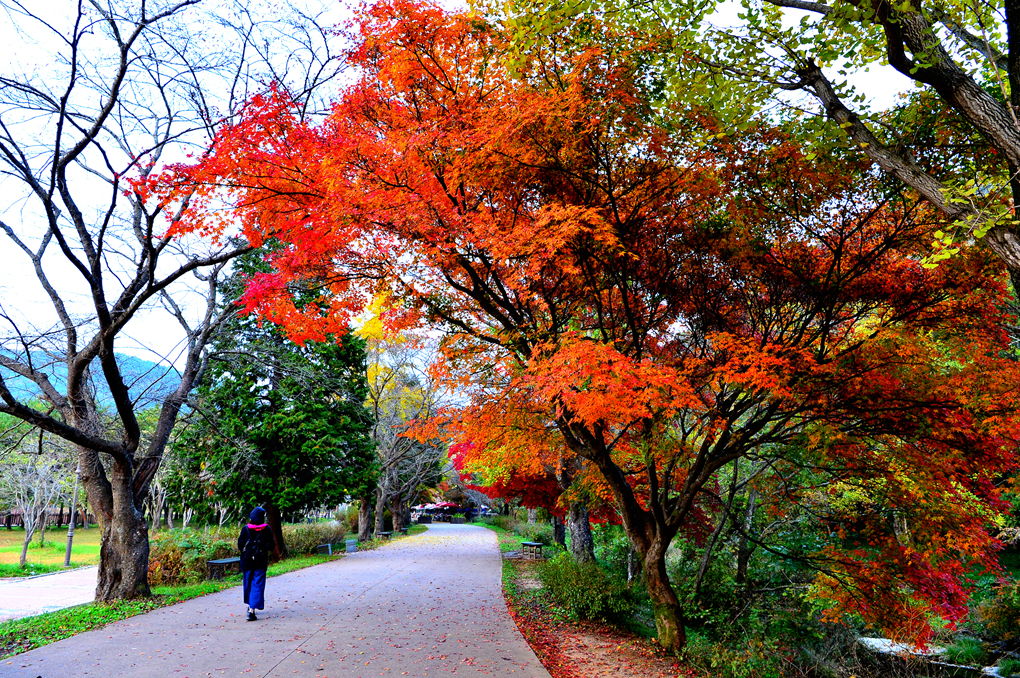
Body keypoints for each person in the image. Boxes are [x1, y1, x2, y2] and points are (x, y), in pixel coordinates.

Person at [238, 506, 275, 621]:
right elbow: (272, 546)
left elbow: (240, 545)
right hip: (261, 561)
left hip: (247, 561)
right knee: (257, 584)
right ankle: (251, 610)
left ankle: (250, 606)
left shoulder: (245, 529)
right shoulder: (266, 529)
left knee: (248, 584)